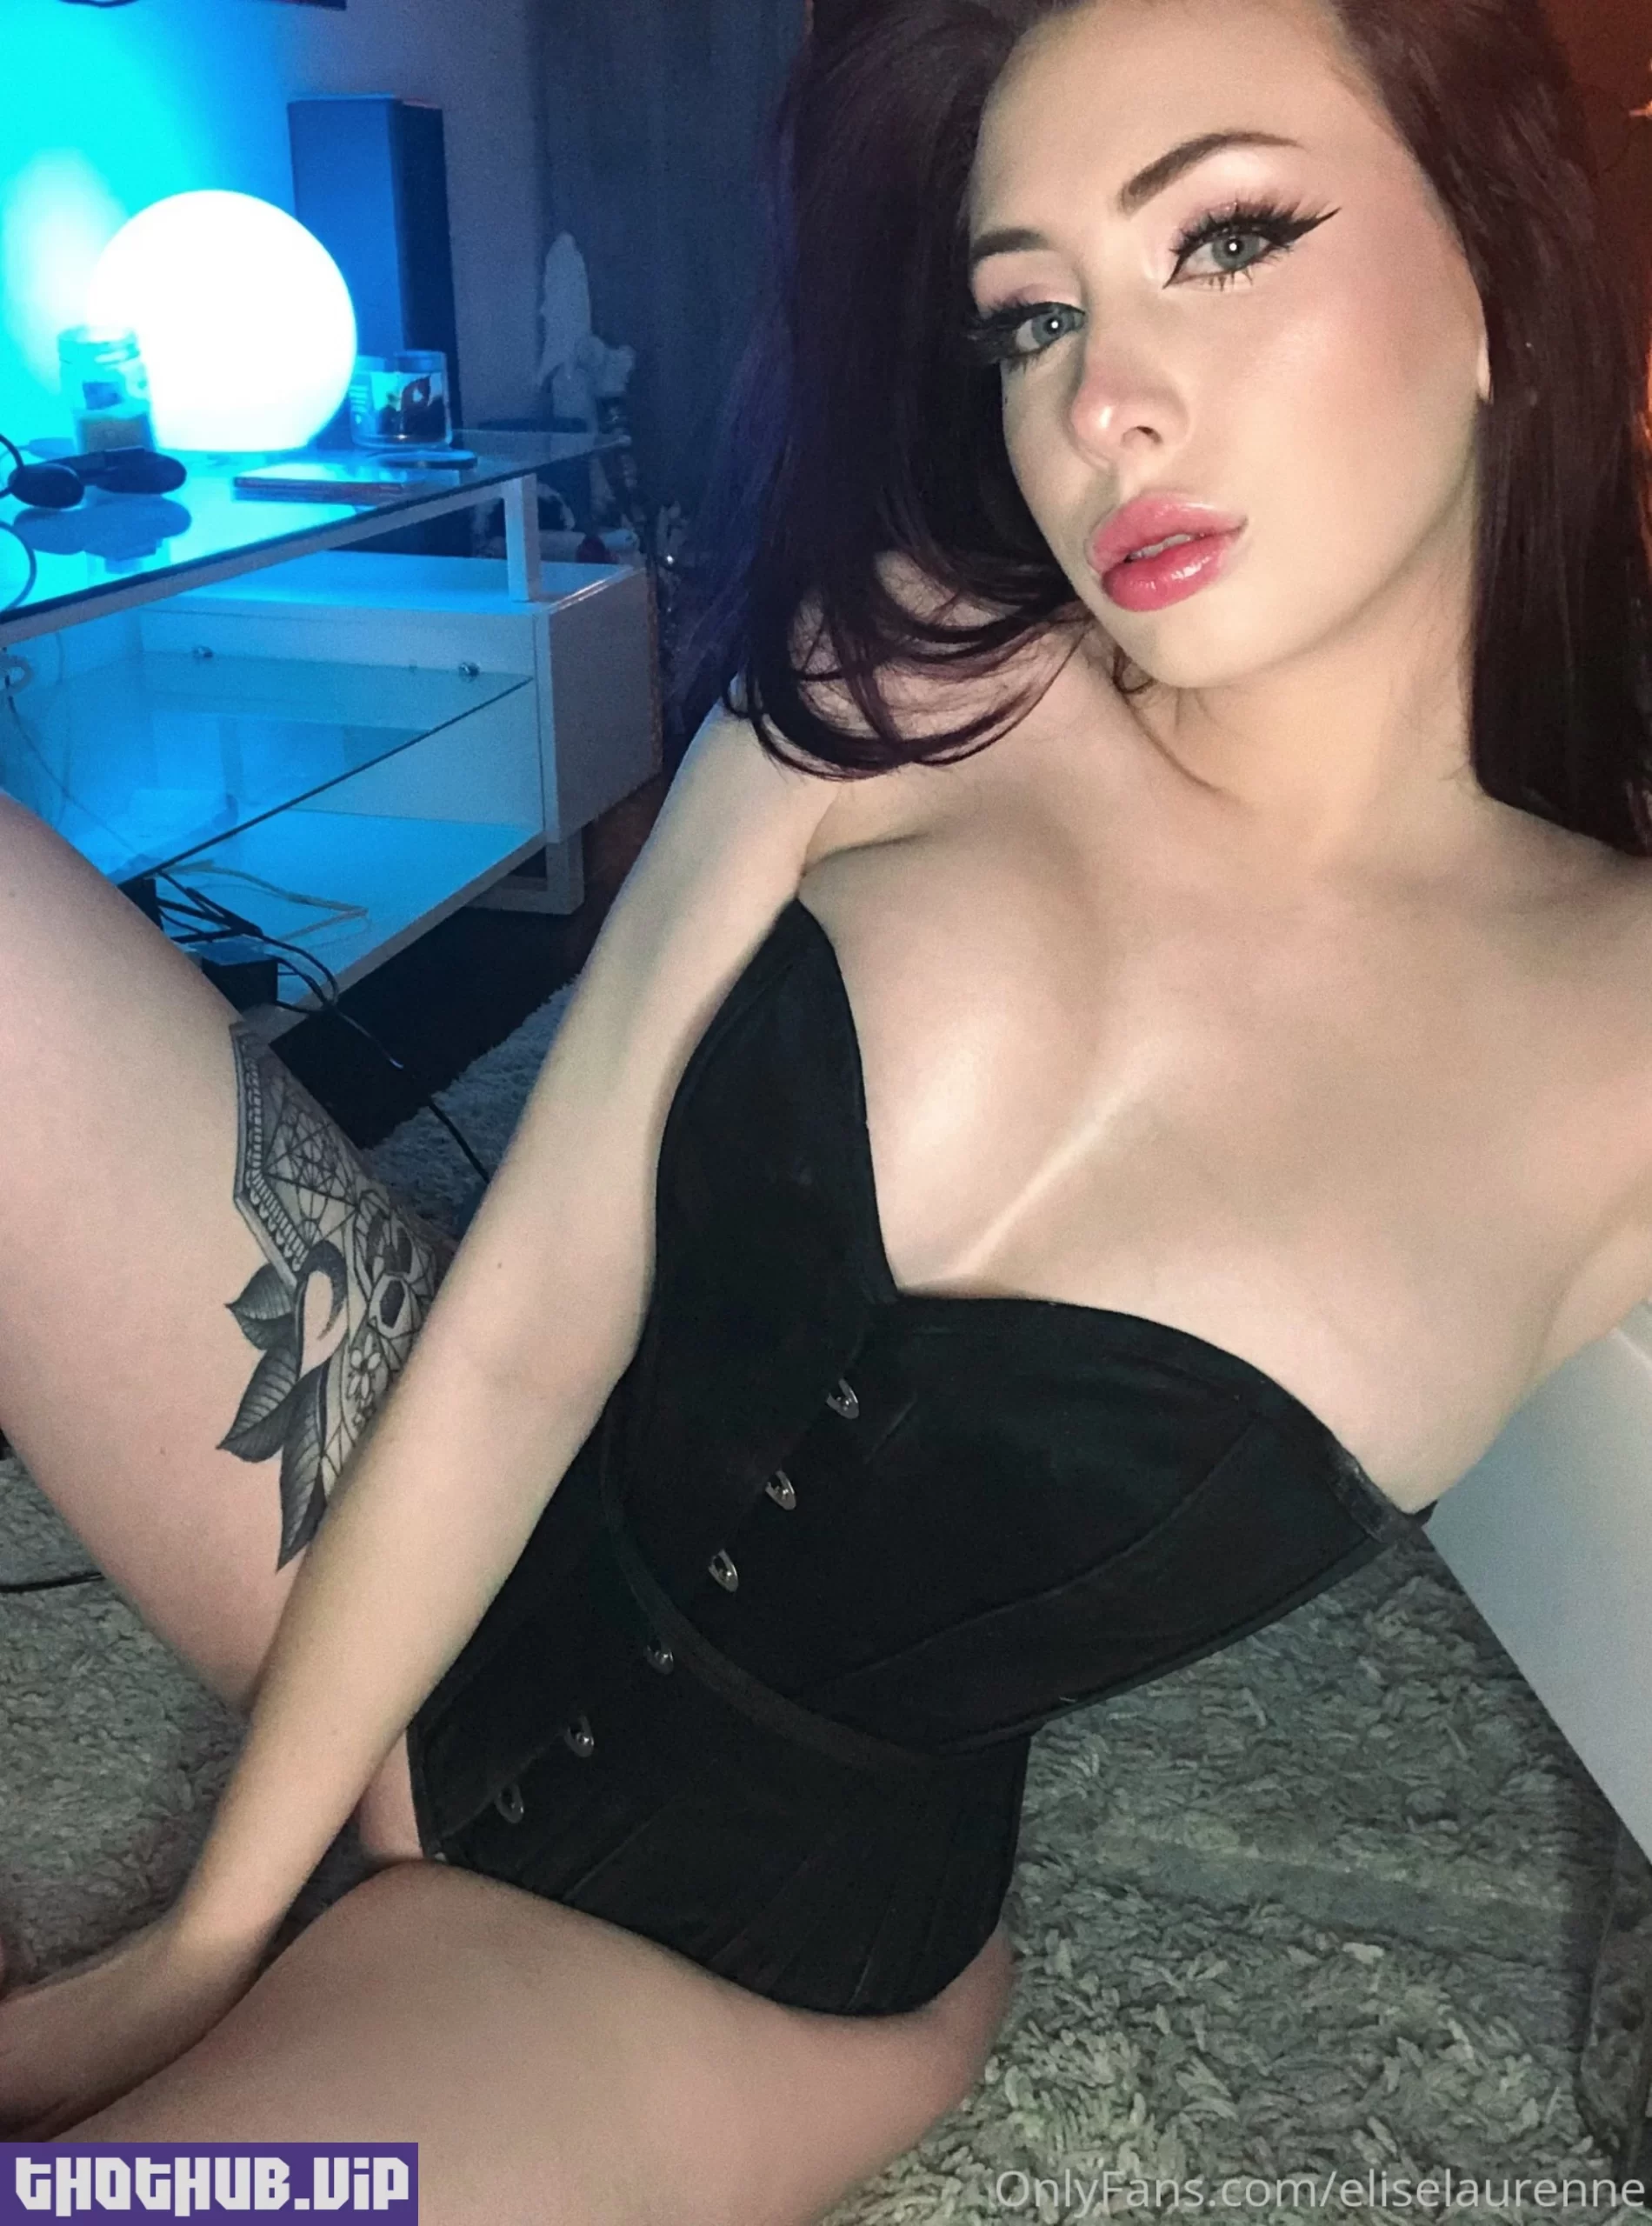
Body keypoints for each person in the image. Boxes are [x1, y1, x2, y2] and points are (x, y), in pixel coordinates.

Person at [3, 0, 1650, 2214]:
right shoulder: (912, 665)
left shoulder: (1615, 1037)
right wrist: (200, 1939)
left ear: (1498, 274)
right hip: (395, 1516)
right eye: (1030, 313)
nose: (1100, 399)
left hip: (724, 1965)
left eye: (1226, 237)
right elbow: (531, 1316)